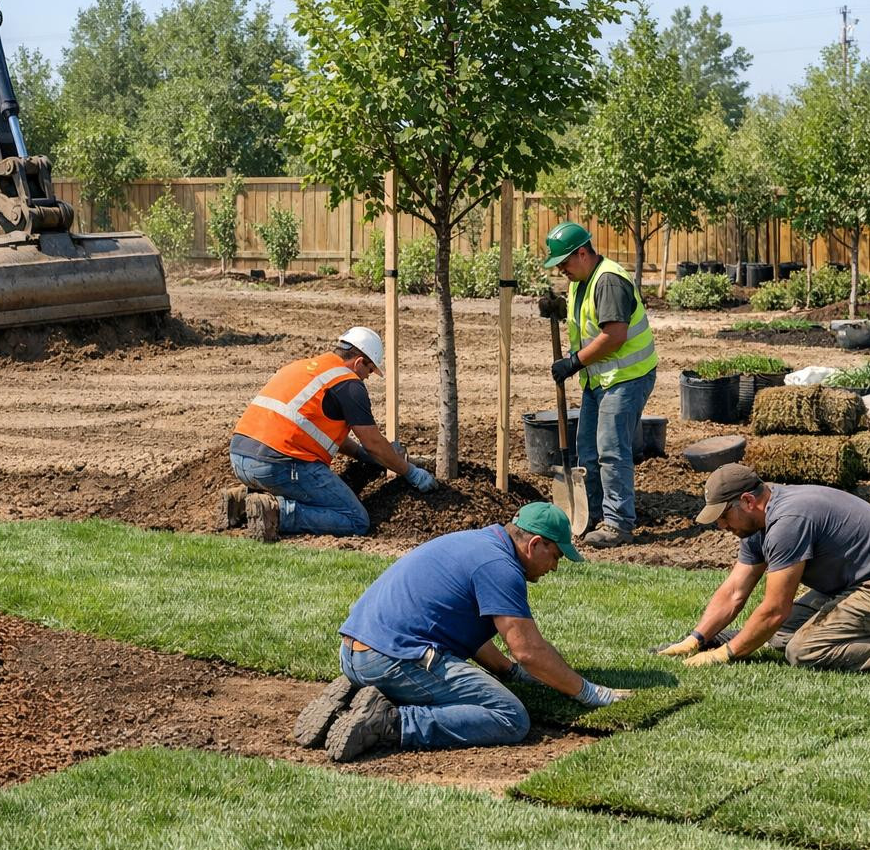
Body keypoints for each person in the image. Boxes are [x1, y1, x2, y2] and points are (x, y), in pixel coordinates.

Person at [292, 502, 631, 762]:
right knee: (510, 717)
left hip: (355, 653)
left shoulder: (480, 543)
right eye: (555, 556)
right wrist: (588, 692)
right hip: (391, 659)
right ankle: (388, 721)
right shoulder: (501, 568)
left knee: (456, 670)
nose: (554, 567)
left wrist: (509, 672)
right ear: (535, 544)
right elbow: (528, 650)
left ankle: (353, 697)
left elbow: (467, 630)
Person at [654, 463, 870, 673]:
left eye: (723, 515)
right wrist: (696, 639)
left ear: (748, 501)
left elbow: (775, 609)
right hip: (859, 584)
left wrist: (726, 653)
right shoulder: (759, 523)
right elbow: (735, 590)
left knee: (803, 651)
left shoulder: (787, 522)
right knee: (775, 636)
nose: (721, 525)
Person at [228, 326, 435, 542]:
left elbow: (322, 433)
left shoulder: (303, 367)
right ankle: (276, 511)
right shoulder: (348, 384)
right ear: (358, 362)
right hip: (277, 465)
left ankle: (241, 502)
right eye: (370, 370)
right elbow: (373, 442)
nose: (368, 377)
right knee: (355, 519)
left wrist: (363, 455)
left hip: (240, 459)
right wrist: (410, 472)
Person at [544, 222, 656, 548]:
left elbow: (614, 336)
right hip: (600, 378)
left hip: (626, 378)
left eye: (564, 263)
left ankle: (618, 523)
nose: (561, 270)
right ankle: (591, 513)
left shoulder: (608, 280)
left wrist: (573, 362)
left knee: (611, 450)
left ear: (583, 253)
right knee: (588, 450)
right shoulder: (582, 281)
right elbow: (589, 323)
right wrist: (558, 312)